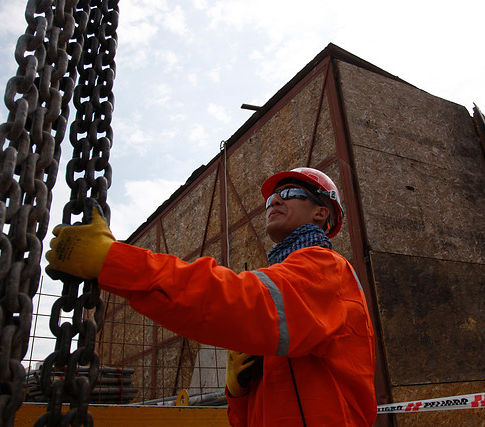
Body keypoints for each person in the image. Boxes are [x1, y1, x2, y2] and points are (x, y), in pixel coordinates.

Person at [46, 167, 377, 426]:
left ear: (321, 213)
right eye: (270, 199)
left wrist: (114, 262)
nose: (274, 201)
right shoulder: (292, 284)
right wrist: (238, 392)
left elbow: (235, 299)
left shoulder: (326, 270)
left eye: (289, 193)